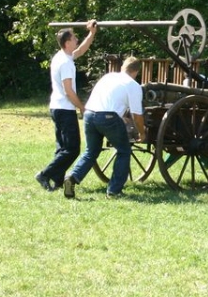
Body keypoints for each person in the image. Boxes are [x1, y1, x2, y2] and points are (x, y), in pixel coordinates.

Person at [63, 56, 146, 199]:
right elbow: (137, 116)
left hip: (89, 114)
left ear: (122, 68)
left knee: (91, 151)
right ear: (136, 71)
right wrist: (142, 133)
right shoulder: (133, 85)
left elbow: (108, 101)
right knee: (124, 151)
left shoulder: (108, 77)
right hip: (108, 118)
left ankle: (72, 177)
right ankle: (114, 191)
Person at [36, 20, 98, 191]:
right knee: (72, 149)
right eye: (74, 38)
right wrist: (82, 107)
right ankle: (45, 174)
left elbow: (81, 50)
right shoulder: (65, 63)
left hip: (57, 107)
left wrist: (91, 33)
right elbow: (68, 91)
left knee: (62, 147)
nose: (77, 39)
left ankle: (57, 179)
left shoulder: (62, 56)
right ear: (67, 42)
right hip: (64, 108)